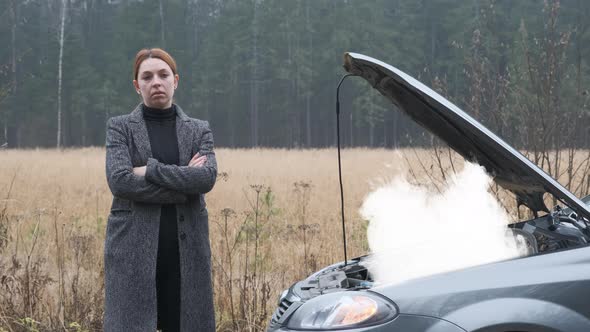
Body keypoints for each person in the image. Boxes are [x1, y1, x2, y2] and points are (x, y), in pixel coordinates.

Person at [104, 48, 217, 331]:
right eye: (147, 76)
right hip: (133, 252)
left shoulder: (199, 130)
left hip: (186, 254)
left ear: (175, 80)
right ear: (137, 85)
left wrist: (150, 170)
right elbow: (120, 180)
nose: (156, 82)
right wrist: (184, 183)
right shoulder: (119, 128)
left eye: (163, 75)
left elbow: (206, 179)